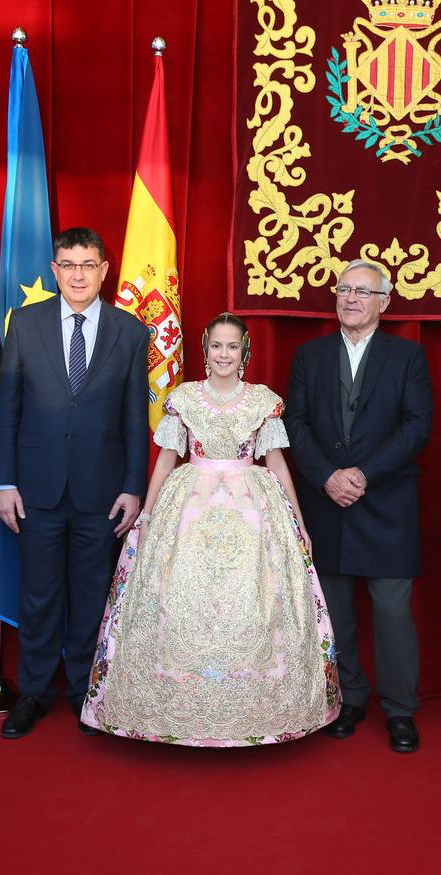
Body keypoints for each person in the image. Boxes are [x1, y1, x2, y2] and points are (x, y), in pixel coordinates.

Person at [81, 313, 340, 745]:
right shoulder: (185, 398)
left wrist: (298, 520)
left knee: (254, 602)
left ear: (245, 352)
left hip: (252, 510)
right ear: (205, 351)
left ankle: (254, 714)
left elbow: (275, 461)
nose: (224, 354)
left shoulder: (262, 400)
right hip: (189, 507)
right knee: (180, 599)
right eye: (216, 346)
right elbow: (166, 457)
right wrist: (148, 513)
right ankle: (173, 712)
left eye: (232, 347)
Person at [0, 227, 148, 739]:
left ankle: (86, 692)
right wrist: (3, 482)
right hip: (35, 488)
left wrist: (133, 486)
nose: (77, 274)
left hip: (101, 493)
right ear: (54, 269)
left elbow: (132, 417)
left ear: (104, 270)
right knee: (37, 595)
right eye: (68, 264)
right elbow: (7, 407)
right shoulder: (26, 322)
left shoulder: (129, 331)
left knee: (90, 594)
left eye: (88, 264)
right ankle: (33, 691)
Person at [285, 259, 433, 753]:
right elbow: (296, 427)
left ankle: (400, 710)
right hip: (326, 502)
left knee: (392, 615)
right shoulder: (309, 355)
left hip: (386, 505)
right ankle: (349, 697)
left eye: (363, 292)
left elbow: (416, 427)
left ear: (384, 303)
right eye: (344, 289)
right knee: (337, 613)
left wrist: (364, 475)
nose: (350, 298)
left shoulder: (407, 357)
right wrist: (327, 477)